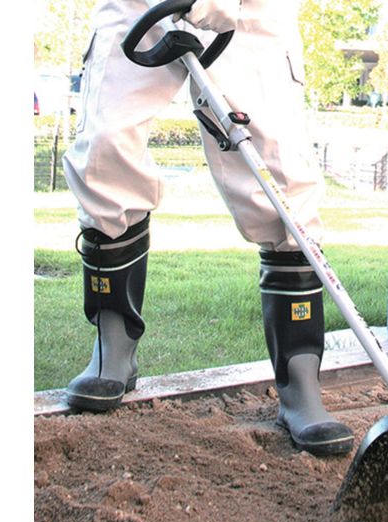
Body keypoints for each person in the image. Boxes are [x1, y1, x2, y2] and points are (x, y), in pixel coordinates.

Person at [61, 0, 353, 457]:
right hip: (139, 6)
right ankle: (112, 346)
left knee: (283, 185)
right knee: (104, 150)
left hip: (252, 12)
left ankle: (300, 381)